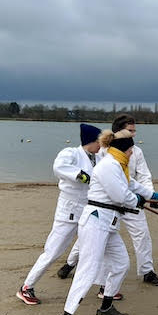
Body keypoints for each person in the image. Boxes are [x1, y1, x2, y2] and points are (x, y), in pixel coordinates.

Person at [56, 130, 158, 315]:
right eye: (130, 150)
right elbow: (121, 195)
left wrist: (157, 196)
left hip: (108, 224)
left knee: (121, 263)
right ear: (124, 149)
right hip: (95, 222)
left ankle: (106, 308)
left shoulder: (118, 165)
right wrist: (143, 202)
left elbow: (131, 185)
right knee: (88, 269)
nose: (131, 154)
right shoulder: (109, 166)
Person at [55, 114, 158, 288]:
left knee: (142, 235)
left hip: (132, 200)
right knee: (92, 236)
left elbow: (143, 176)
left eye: (134, 130)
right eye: (130, 130)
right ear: (118, 131)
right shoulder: (103, 151)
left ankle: (147, 271)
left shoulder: (136, 151)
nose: (134, 134)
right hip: (110, 203)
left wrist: (151, 197)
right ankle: (70, 263)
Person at [16, 124, 101, 305]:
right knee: (53, 251)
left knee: (101, 244)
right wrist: (80, 175)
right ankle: (26, 287)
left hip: (88, 209)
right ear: (90, 141)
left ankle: (105, 287)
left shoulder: (97, 157)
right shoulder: (70, 153)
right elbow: (59, 167)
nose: (101, 145)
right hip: (69, 210)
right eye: (98, 141)